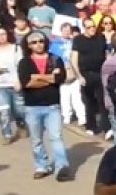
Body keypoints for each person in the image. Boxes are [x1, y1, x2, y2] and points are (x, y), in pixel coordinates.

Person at [17, 30, 74, 182]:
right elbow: (26, 83)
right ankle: (41, 165)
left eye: (41, 41)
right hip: (32, 107)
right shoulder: (25, 62)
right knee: (36, 139)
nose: (38, 44)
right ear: (28, 45)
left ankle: (61, 167)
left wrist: (38, 77)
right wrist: (50, 78)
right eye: (34, 42)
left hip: (52, 105)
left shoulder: (56, 59)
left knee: (56, 137)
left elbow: (60, 78)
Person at [0, 26, 26, 145]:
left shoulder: (16, 49)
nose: (1, 37)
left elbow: (21, 66)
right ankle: (6, 134)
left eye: (3, 34)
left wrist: (19, 81)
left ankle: (21, 125)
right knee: (4, 111)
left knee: (19, 110)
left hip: (14, 83)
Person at [72, 17, 109, 136]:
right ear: (84, 28)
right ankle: (91, 126)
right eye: (89, 27)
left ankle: (106, 127)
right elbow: (74, 59)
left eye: (93, 26)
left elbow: (106, 55)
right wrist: (79, 76)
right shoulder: (78, 40)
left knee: (103, 101)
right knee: (89, 101)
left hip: (100, 72)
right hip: (86, 74)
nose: (92, 29)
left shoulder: (101, 38)